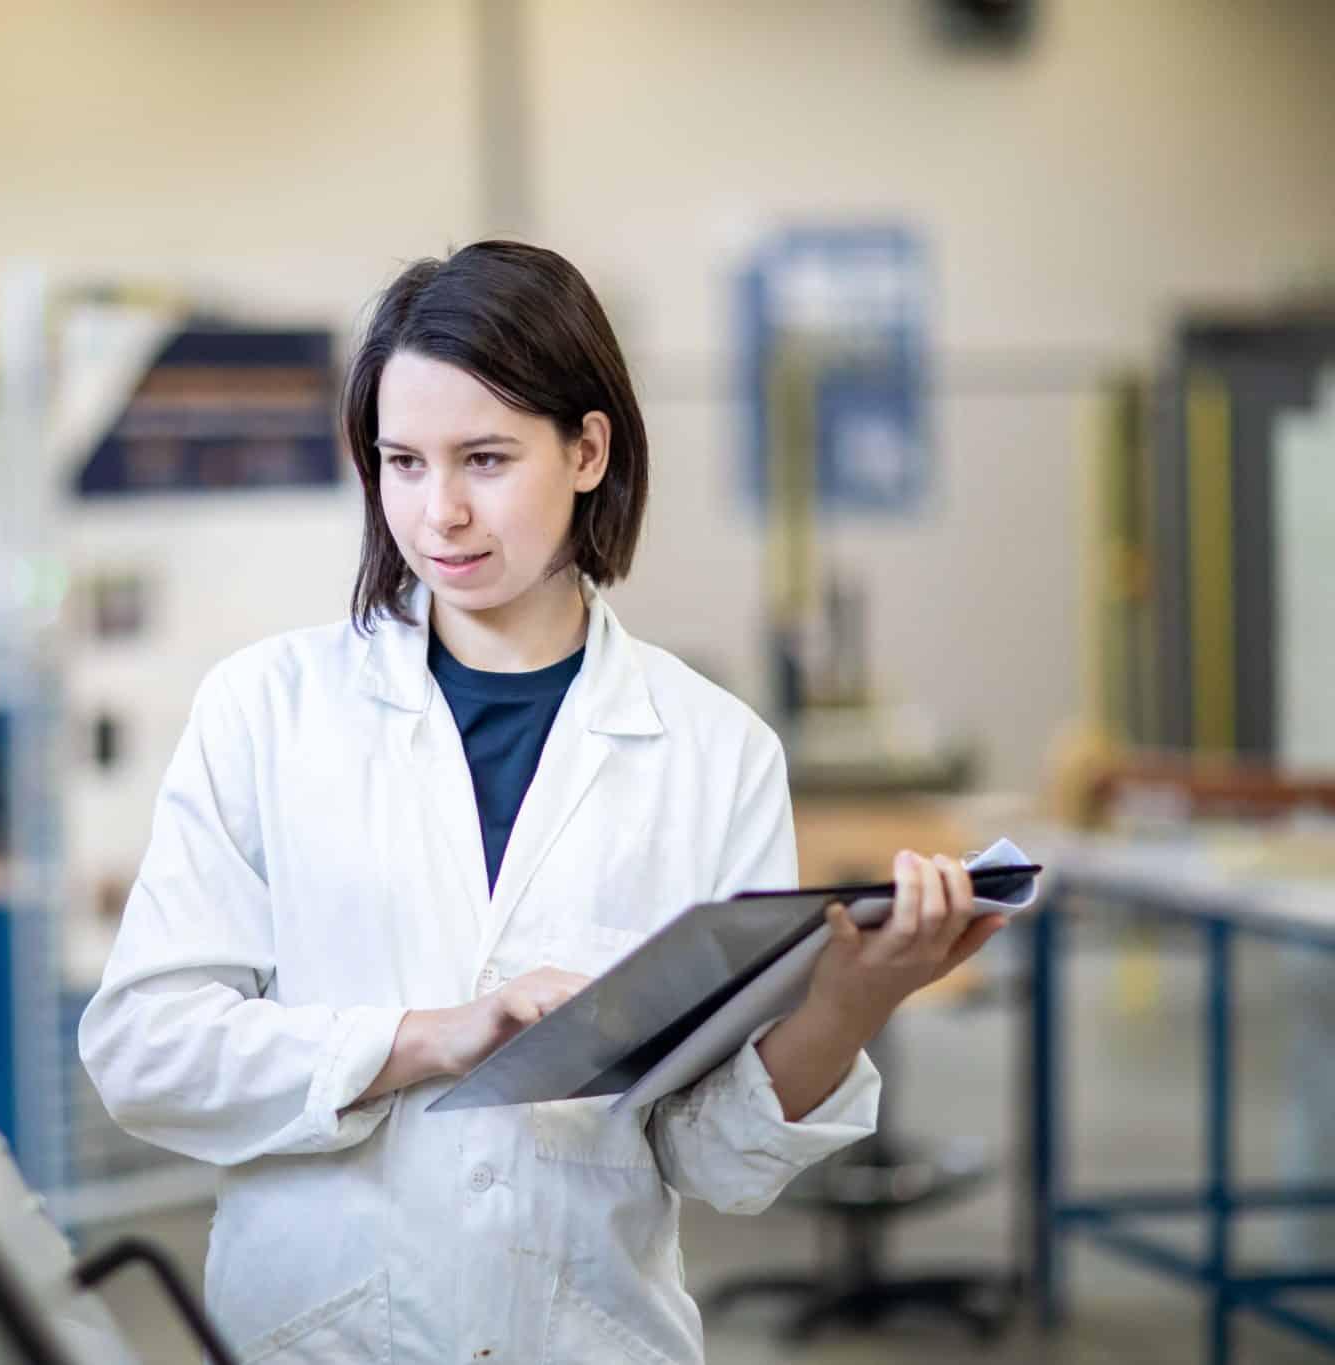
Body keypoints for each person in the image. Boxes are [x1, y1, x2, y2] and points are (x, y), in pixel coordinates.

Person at [78, 241, 1007, 1364]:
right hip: (315, 1339)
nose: (439, 513)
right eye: (402, 462)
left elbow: (713, 1159)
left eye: (484, 459)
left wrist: (853, 1001)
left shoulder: (714, 754)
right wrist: (428, 1039)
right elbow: (146, 1051)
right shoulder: (265, 711)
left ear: (586, 450)